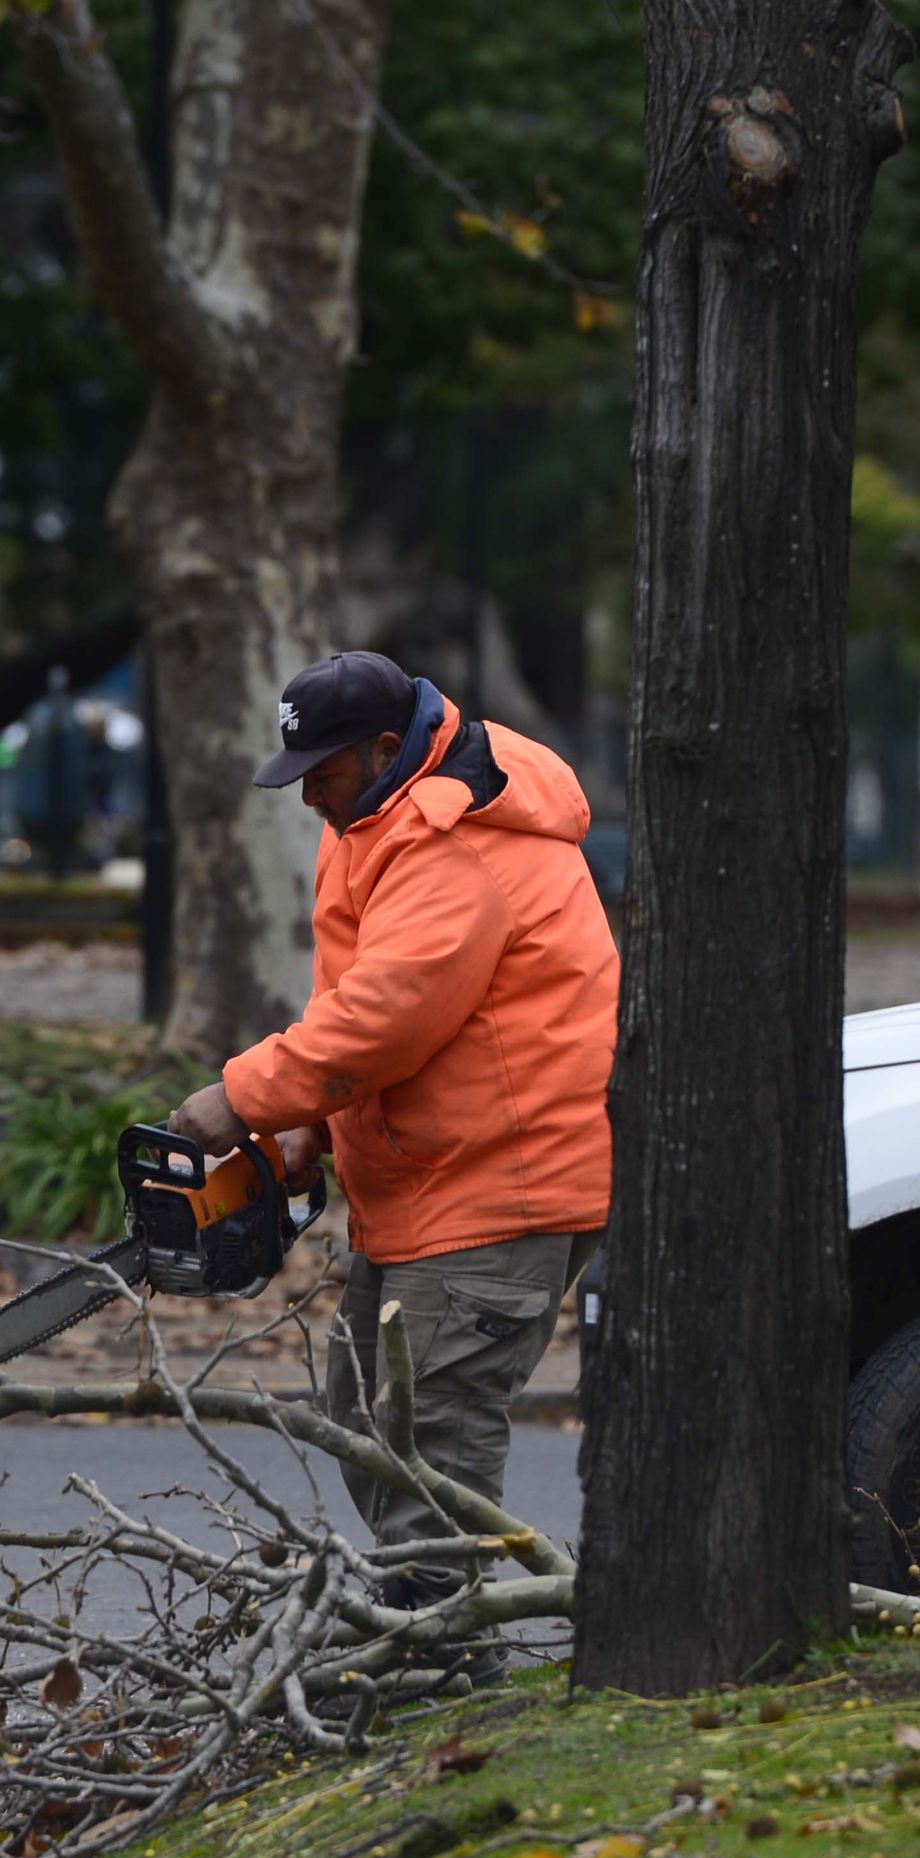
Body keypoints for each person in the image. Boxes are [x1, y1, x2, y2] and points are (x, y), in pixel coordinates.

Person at [168, 650, 618, 1682]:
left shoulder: (453, 841)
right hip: (438, 1174)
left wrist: (236, 1100)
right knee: (368, 1407)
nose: (312, 795)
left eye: (323, 772)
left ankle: (449, 1652)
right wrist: (308, 1129)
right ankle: (424, 1620)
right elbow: (367, 1008)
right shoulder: (377, 819)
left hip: (502, 1179)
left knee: (436, 1429)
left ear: (383, 748)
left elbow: (384, 1021)